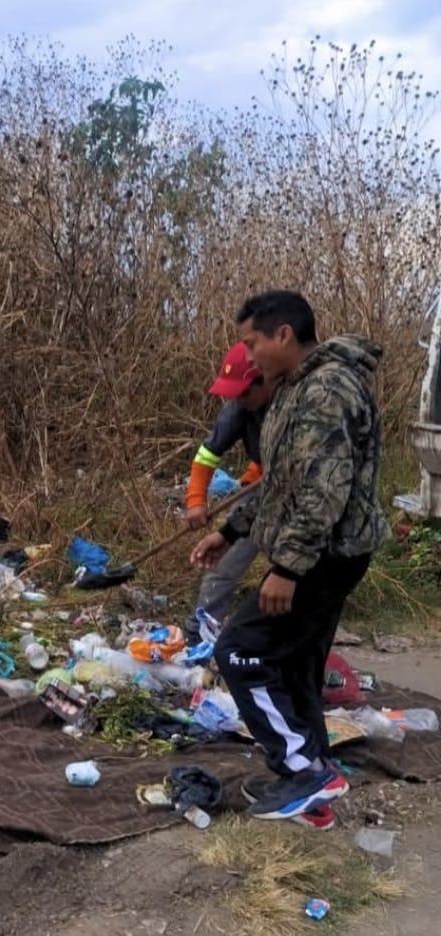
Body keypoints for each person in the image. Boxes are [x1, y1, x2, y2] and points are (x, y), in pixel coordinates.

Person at [190, 290, 387, 822]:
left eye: (252, 343)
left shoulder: (325, 390)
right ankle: (311, 765)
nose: (248, 356)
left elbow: (323, 491)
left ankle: (305, 771)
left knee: (240, 650)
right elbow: (282, 484)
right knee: (298, 661)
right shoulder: (297, 389)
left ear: (283, 335)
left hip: (324, 555)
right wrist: (232, 532)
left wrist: (288, 569)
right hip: (321, 551)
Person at [184, 343, 271, 634]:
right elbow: (207, 455)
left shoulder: (296, 406)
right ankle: (201, 631)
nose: (239, 399)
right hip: (259, 487)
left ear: (267, 380)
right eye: (235, 393)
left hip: (296, 494)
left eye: (245, 392)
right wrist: (196, 501)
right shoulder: (238, 409)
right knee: (223, 562)